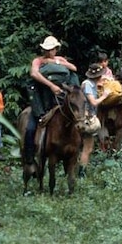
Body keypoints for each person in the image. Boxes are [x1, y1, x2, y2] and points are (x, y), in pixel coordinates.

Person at [25, 36, 78, 166]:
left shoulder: (60, 59)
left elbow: (73, 68)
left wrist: (57, 62)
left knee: (76, 122)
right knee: (30, 128)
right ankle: (29, 157)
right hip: (42, 98)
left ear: (56, 49)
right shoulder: (38, 61)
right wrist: (51, 85)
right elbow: (34, 73)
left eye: (52, 49)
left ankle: (75, 154)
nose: (50, 52)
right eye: (47, 49)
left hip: (60, 98)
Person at [80, 63, 112, 177]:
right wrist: (104, 96)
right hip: (86, 118)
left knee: (89, 147)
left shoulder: (92, 83)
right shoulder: (88, 84)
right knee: (87, 148)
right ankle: (81, 173)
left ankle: (82, 169)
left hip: (90, 116)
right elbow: (93, 102)